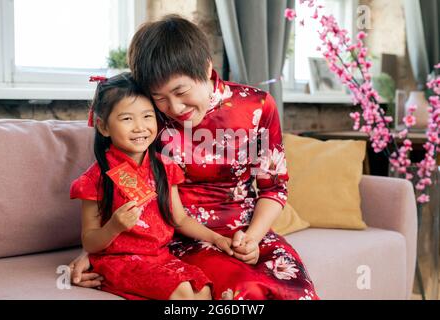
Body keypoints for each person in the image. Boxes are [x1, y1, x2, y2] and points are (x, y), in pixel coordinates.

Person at [70, 15, 319, 300]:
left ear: (206, 67)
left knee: (296, 293)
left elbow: (274, 187)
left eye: (181, 91)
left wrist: (252, 237)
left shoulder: (258, 106)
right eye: (160, 97)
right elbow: (122, 181)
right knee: (243, 292)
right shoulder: (151, 118)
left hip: (247, 231)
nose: (174, 107)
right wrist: (94, 249)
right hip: (178, 238)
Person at [69, 72, 234, 300]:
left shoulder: (165, 167)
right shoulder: (94, 179)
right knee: (183, 294)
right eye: (127, 119)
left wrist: (216, 238)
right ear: (103, 127)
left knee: (202, 290)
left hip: (160, 256)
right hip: (120, 260)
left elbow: (180, 219)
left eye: (147, 116)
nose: (140, 127)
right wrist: (114, 227)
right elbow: (90, 240)